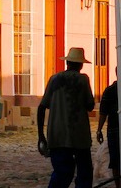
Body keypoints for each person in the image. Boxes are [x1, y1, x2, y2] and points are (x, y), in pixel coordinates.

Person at [37, 47, 95, 188]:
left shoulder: (54, 79)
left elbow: (42, 107)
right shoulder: (83, 80)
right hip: (79, 136)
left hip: (57, 136)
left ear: (67, 62)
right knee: (84, 174)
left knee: (61, 174)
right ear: (80, 65)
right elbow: (90, 105)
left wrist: (41, 136)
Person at [97, 72, 120, 182]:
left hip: (113, 129)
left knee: (115, 160)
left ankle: (118, 184)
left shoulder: (109, 91)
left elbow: (103, 113)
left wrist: (99, 130)